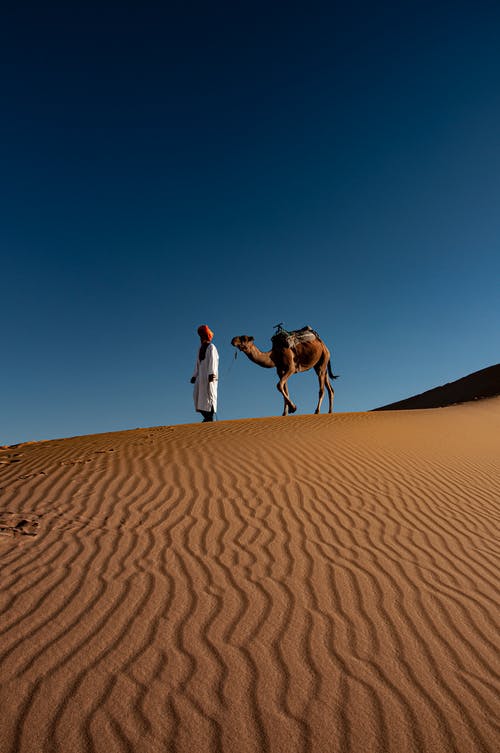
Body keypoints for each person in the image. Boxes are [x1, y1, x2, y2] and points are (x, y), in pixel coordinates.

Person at [191, 324, 219, 421]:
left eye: (202, 336)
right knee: (197, 396)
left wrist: (211, 374)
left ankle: (209, 418)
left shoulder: (212, 347)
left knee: (209, 396)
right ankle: (207, 417)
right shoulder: (200, 348)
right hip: (201, 377)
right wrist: (194, 376)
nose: (200, 338)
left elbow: (213, 361)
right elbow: (197, 363)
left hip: (209, 377)